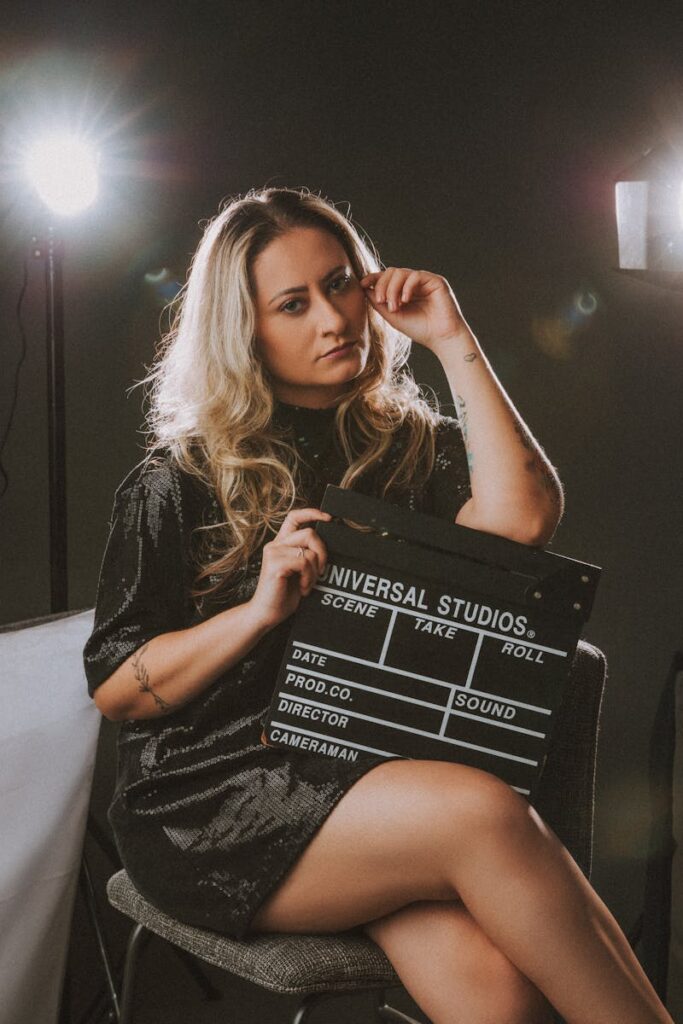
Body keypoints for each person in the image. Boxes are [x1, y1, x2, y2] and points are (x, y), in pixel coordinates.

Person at [84, 186, 673, 1024]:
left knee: (497, 1001)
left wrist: (452, 338)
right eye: (293, 303)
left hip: (372, 787)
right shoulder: (175, 479)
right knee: (480, 811)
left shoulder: (408, 446)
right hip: (214, 806)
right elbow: (115, 686)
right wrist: (255, 612)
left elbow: (523, 521)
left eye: (340, 284)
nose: (332, 318)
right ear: (243, 329)